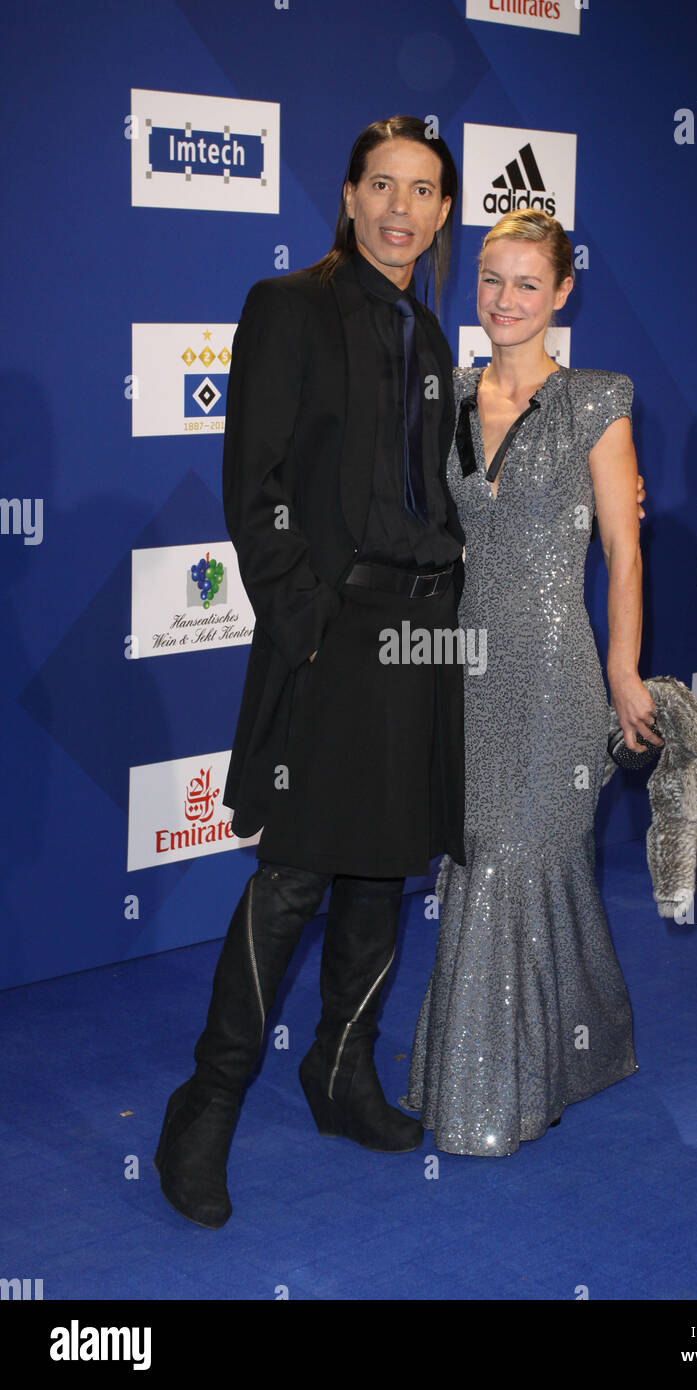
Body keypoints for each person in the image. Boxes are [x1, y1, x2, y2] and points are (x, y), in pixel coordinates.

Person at [154, 116, 468, 1228]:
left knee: (384, 871)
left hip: (419, 639)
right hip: (330, 634)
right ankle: (206, 1104)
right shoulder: (285, 307)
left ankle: (339, 1070)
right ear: (346, 197)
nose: (399, 207)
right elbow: (257, 482)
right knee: (291, 874)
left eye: (422, 191)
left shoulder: (431, 337)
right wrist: (312, 627)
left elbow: (440, 496)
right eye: (380, 184)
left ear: (441, 214)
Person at [403, 209, 662, 1156]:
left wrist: (625, 672)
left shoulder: (598, 399)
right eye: (489, 280)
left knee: (522, 856)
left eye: (526, 283)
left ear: (561, 293)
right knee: (481, 859)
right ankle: (576, 1051)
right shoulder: (448, 398)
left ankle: (495, 1095)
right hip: (465, 667)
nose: (504, 300)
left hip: (557, 671)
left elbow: (626, 556)